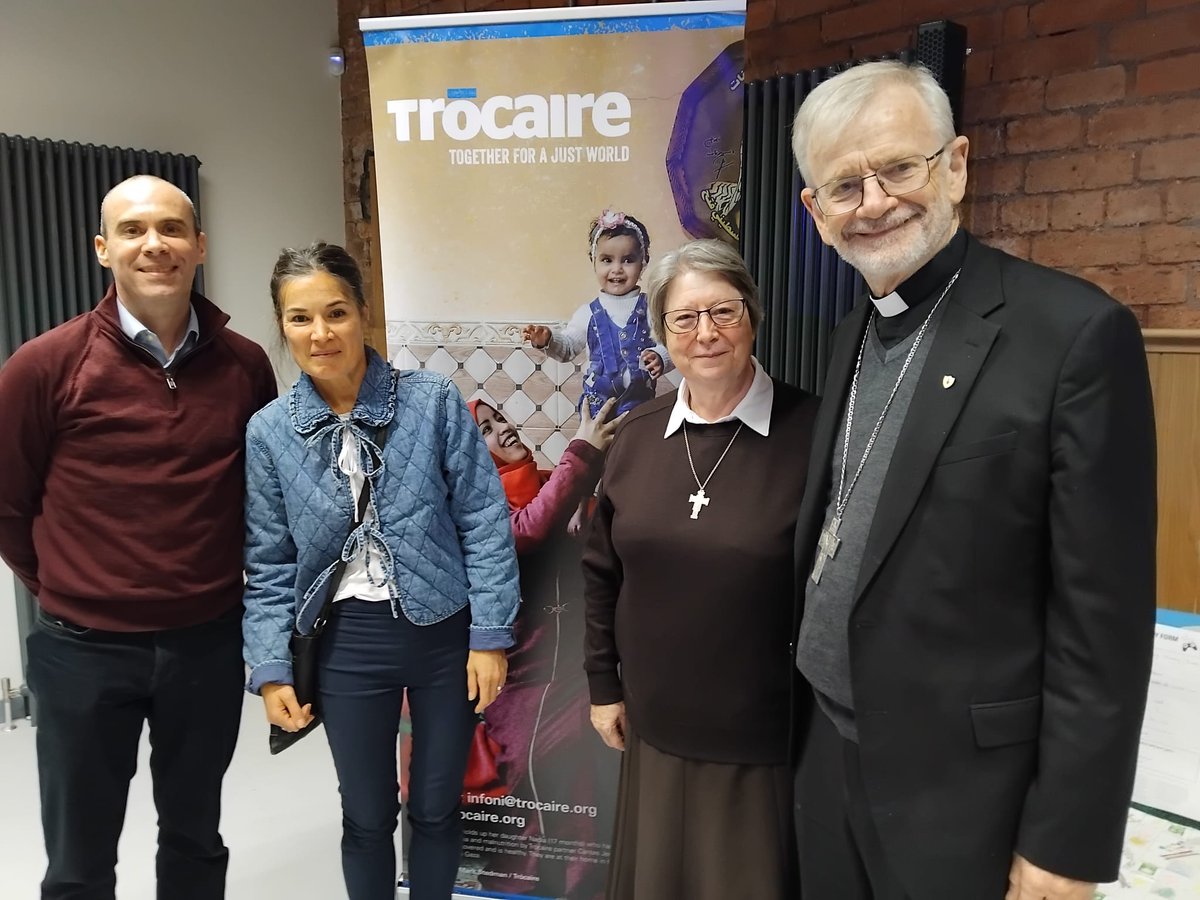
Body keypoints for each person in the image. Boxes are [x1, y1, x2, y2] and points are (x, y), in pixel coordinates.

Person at [789, 60, 1157, 900]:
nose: (874, 201)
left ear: (955, 165)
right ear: (814, 214)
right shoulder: (851, 331)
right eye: (844, 185)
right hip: (824, 754)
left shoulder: (1074, 334)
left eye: (898, 167)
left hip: (960, 792)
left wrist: (1069, 842)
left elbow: (1102, 623)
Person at [0, 174, 277, 899]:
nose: (154, 244)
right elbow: (7, 506)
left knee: (195, 842)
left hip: (207, 646)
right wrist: (73, 584)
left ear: (199, 245)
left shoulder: (246, 365)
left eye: (172, 229)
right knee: (79, 861)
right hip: (83, 652)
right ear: (103, 249)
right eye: (132, 230)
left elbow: (262, 499)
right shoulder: (43, 367)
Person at [241, 241, 520, 900]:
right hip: (344, 645)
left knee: (437, 807)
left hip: (442, 634)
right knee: (366, 817)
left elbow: (484, 521)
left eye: (335, 313)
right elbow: (269, 559)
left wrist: (489, 636)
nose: (320, 333)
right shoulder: (269, 432)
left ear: (363, 312)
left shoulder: (433, 403)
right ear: (282, 325)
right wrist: (269, 665)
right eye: (300, 318)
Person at [583, 239, 818, 900]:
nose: (706, 333)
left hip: (766, 741)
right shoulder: (634, 437)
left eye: (724, 312)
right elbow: (602, 573)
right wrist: (603, 683)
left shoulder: (817, 435)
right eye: (684, 319)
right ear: (662, 331)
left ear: (754, 317)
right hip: (655, 731)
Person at [467, 396, 622, 899]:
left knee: (579, 800)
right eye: (486, 429)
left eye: (501, 418)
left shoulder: (546, 486)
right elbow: (526, 531)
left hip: (576, 680)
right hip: (523, 691)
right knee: (537, 797)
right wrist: (583, 452)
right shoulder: (474, 511)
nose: (504, 430)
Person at [523, 208, 672, 419]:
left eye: (628, 260)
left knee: (639, 451)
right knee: (598, 452)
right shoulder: (587, 313)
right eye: (607, 260)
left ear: (644, 261)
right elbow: (567, 349)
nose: (617, 269)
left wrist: (661, 356)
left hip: (640, 411)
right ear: (593, 260)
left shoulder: (651, 308)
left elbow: (673, 341)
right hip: (596, 412)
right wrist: (548, 340)